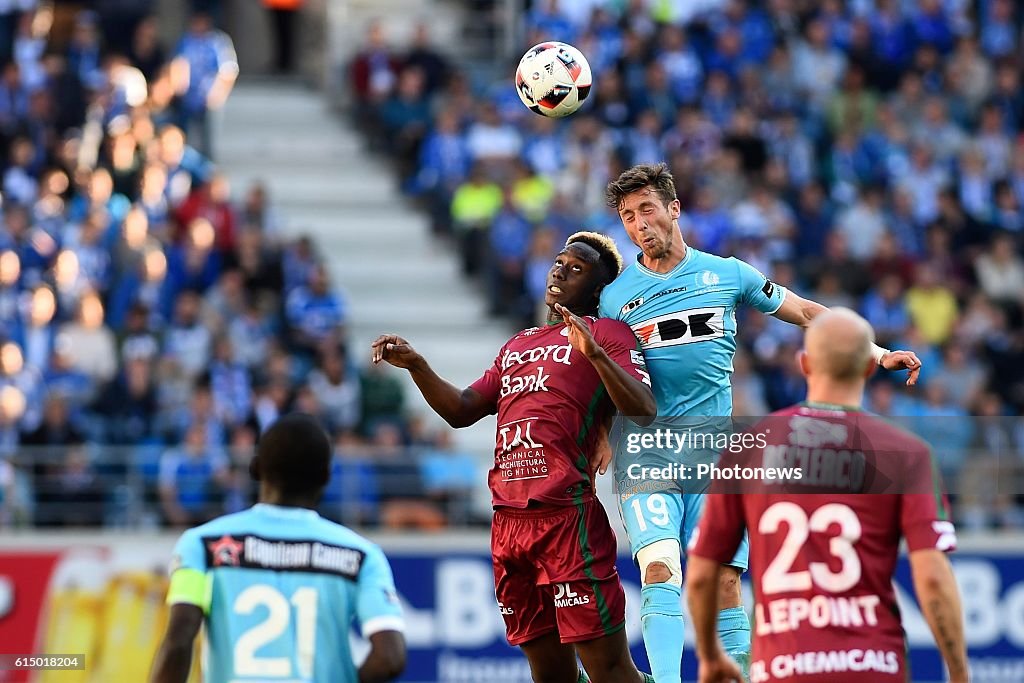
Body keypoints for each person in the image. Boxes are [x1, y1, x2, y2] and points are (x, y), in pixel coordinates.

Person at [599, 163, 923, 683]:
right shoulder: (614, 298)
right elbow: (603, 372)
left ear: (674, 208)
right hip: (650, 450)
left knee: (725, 581)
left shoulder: (728, 274)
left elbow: (807, 313)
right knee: (660, 569)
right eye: (628, 217)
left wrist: (878, 352)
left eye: (647, 210)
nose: (639, 224)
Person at [372, 232, 656, 683]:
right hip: (508, 527)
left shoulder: (607, 334)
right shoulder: (518, 345)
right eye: (559, 262)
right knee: (550, 676)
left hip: (567, 520)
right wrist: (419, 366)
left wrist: (597, 355)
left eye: (576, 268)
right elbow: (463, 409)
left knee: (610, 671)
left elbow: (642, 408)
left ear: (597, 291)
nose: (560, 270)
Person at [685, 309, 967, 683]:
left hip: (782, 668)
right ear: (869, 369)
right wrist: (960, 673)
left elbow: (703, 575)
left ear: (804, 364)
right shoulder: (906, 453)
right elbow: (932, 577)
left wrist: (709, 656)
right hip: (872, 667)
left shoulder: (748, 448)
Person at [149, 413, 406, 683]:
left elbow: (179, 637)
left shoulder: (202, 545)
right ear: (327, 475)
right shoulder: (362, 556)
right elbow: (390, 657)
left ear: (256, 468)